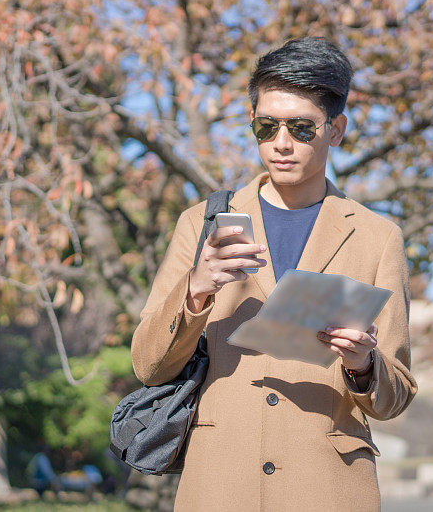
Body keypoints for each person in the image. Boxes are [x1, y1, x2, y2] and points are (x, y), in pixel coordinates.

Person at [130, 37, 417, 511]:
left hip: (328, 488)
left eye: (302, 128)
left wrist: (364, 365)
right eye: (266, 126)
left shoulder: (377, 237)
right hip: (219, 484)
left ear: (336, 129)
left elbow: (394, 398)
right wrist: (197, 290)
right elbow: (148, 366)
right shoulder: (199, 224)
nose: (281, 143)